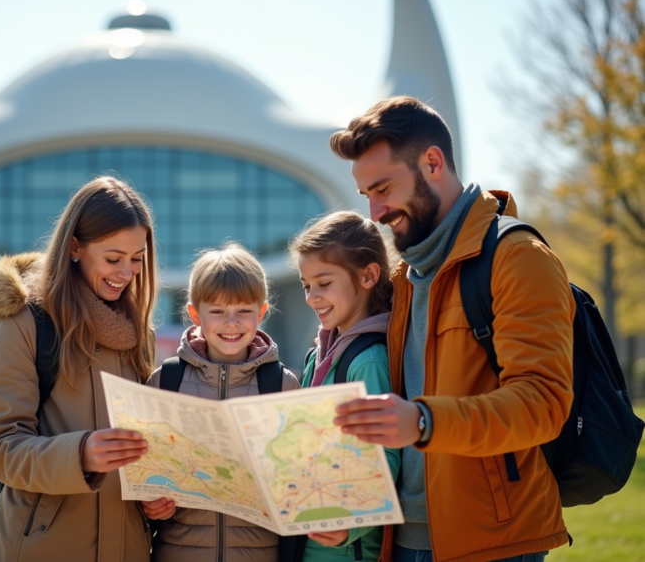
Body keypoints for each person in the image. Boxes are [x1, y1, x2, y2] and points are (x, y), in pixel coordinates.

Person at [329, 96, 575, 562]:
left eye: (383, 188)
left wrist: (424, 421)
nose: (375, 212)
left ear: (433, 162)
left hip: (493, 543)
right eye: (367, 196)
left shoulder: (517, 257)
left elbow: (543, 404)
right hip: (400, 539)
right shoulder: (402, 278)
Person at [0, 176, 158, 562]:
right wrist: (80, 456)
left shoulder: (142, 335)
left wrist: (159, 497)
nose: (125, 273)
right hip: (40, 548)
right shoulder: (24, 322)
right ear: (75, 246)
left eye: (136, 259)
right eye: (113, 259)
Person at [141, 242, 300, 562]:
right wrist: (149, 505)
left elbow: (297, 483)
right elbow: (144, 476)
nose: (231, 322)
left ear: (262, 312)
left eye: (243, 310)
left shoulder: (281, 385)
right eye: (217, 311)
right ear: (195, 314)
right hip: (179, 552)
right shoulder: (165, 382)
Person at [288, 211, 401, 562]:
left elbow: (386, 454)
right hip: (311, 540)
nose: (311, 296)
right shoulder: (317, 356)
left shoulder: (369, 360)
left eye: (324, 283)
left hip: (348, 548)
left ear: (368, 276)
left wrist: (349, 527)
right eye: (307, 286)